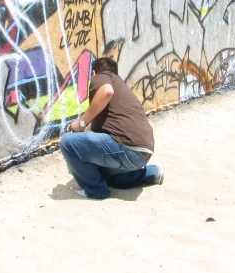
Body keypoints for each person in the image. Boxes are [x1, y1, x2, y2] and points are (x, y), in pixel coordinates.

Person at [59, 56, 164, 199]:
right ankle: (152, 173)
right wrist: (84, 130)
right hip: (143, 153)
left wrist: (81, 123)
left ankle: (96, 192)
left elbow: (106, 91)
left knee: (67, 143)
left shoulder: (102, 77)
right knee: (101, 175)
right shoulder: (120, 87)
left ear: (94, 72)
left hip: (126, 148)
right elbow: (95, 133)